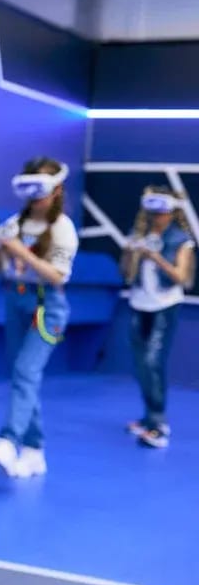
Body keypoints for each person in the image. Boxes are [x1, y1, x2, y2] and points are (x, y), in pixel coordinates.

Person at [0, 157, 78, 478]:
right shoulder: (14, 223)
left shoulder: (62, 227)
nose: (34, 196)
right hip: (16, 299)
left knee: (26, 371)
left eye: (41, 188)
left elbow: (58, 276)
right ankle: (34, 451)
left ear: (56, 189)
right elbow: (2, 268)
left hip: (47, 305)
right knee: (22, 375)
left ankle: (9, 440)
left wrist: (20, 250)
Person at [120, 187, 194, 449]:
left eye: (162, 212)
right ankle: (148, 417)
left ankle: (159, 425)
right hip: (138, 303)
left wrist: (156, 257)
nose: (157, 217)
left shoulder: (181, 239)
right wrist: (129, 252)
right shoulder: (138, 234)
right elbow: (126, 273)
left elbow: (181, 277)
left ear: (172, 212)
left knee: (153, 361)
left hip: (165, 306)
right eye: (153, 211)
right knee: (140, 364)